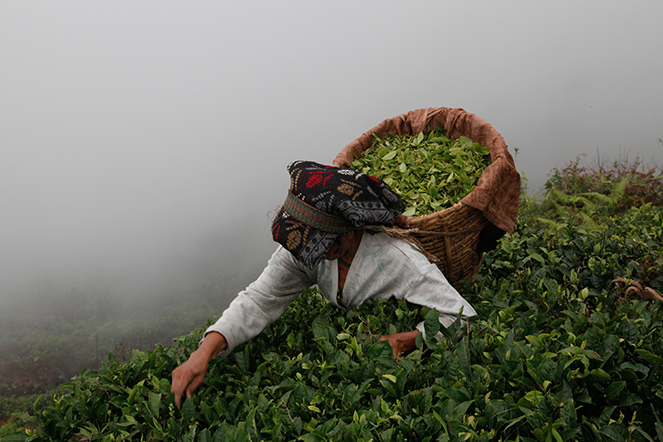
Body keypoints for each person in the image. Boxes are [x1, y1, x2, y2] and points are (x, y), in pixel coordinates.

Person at [171, 160, 477, 408]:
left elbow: (461, 318)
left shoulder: (396, 260)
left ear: (346, 231)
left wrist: (404, 340)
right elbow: (259, 299)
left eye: (321, 247)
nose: (312, 256)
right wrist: (204, 352)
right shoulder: (304, 250)